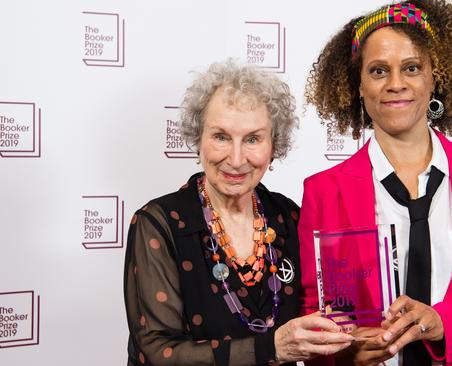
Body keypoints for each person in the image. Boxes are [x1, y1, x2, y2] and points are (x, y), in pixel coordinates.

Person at [299, 1, 452, 365]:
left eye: (412, 68)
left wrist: (444, 322)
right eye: (378, 71)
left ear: (435, 76)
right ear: (357, 86)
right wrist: (343, 352)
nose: (396, 84)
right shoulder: (324, 191)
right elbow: (315, 314)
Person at [124, 60, 353, 366]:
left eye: (253, 139)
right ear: (199, 139)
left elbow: (320, 313)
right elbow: (158, 352)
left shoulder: (290, 217)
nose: (235, 159)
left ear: (274, 146)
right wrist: (271, 348)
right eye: (221, 137)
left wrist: (354, 333)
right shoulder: (159, 223)